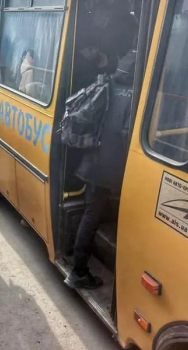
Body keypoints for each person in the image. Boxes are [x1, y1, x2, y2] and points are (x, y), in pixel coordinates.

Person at [65, 49, 137, 290]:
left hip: (94, 161)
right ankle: (78, 271)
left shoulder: (106, 85)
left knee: (90, 214)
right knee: (93, 216)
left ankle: (78, 269)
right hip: (114, 167)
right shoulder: (136, 96)